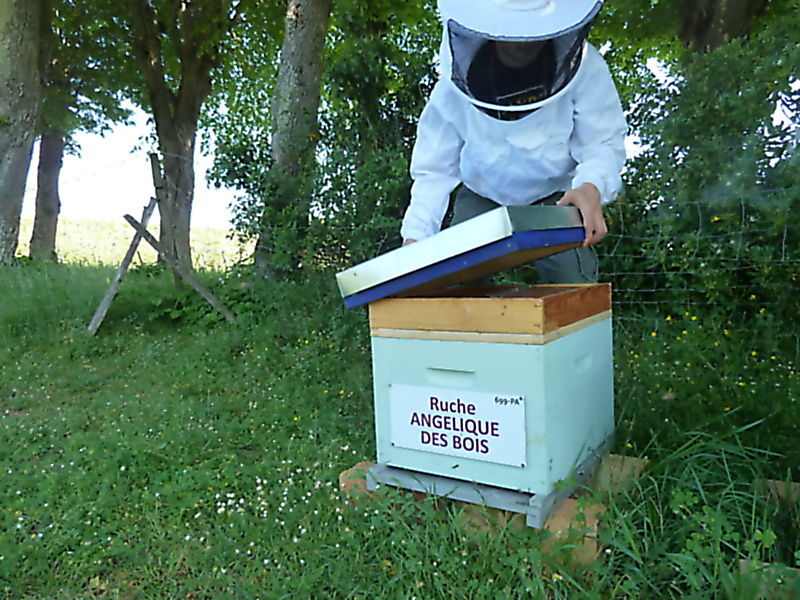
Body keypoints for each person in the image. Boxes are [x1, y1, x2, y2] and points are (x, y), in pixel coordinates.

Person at [400, 0, 627, 284]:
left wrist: (592, 185)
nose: (522, 40)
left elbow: (602, 141)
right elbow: (434, 169)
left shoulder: (585, 66)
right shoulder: (451, 85)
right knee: (456, 281)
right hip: (481, 193)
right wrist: (416, 237)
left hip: (555, 196)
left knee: (574, 286)